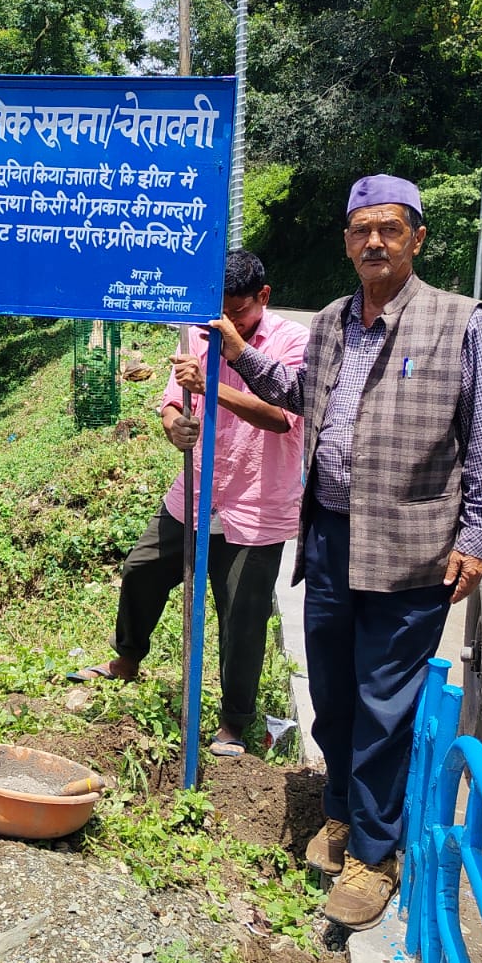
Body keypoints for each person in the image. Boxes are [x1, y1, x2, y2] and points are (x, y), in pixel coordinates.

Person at [217, 175, 482, 929]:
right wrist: (239, 352)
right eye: (360, 230)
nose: (374, 242)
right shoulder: (332, 321)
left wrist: (477, 536)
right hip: (331, 537)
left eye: (389, 229)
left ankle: (375, 855)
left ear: (416, 238)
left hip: (411, 547)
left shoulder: (457, 321)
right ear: (347, 242)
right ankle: (342, 811)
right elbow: (299, 395)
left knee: (385, 703)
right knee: (335, 692)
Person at [70, 251, 308, 756]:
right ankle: (126, 660)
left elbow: (282, 417)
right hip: (195, 493)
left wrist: (213, 385)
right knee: (141, 569)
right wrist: (173, 423)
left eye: (238, 312)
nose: (226, 323)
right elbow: (172, 399)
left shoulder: (292, 341)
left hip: (255, 505)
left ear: (263, 298)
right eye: (219, 312)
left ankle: (234, 724)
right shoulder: (198, 334)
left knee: (241, 616)